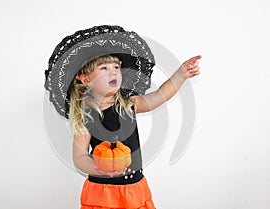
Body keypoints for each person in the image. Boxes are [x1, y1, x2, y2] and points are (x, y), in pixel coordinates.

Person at [44, 25, 201, 209]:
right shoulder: (86, 118)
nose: (113, 71)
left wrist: (180, 75)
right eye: (103, 68)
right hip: (103, 194)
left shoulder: (128, 105)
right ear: (85, 80)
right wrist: (97, 168)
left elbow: (160, 96)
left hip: (134, 190)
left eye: (116, 67)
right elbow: (79, 156)